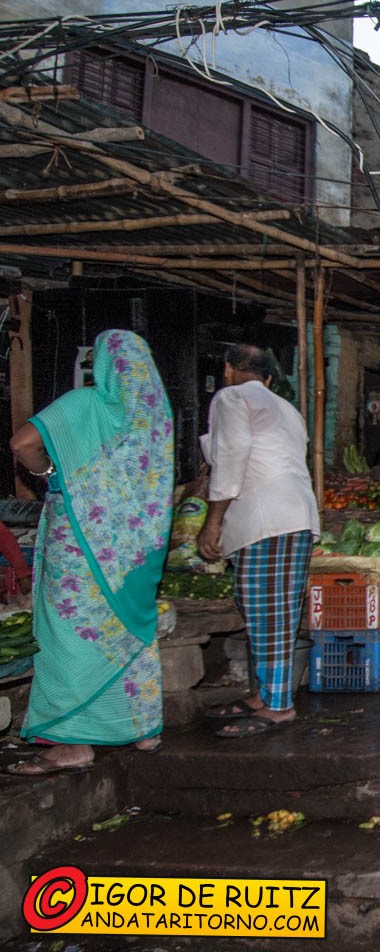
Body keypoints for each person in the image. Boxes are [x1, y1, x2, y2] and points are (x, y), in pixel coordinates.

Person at [6, 330, 173, 775]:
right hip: (136, 555)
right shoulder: (155, 419)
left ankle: (72, 743)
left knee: (70, 634)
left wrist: (50, 470)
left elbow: (22, 444)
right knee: (129, 632)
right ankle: (142, 728)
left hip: (81, 545)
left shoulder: (84, 404)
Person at [196, 343, 320, 738]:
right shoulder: (286, 408)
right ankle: (265, 695)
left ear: (228, 369)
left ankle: (279, 705)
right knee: (270, 610)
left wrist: (212, 522)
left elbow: (231, 457)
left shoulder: (231, 397)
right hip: (293, 516)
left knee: (269, 613)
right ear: (267, 378)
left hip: (268, 519)